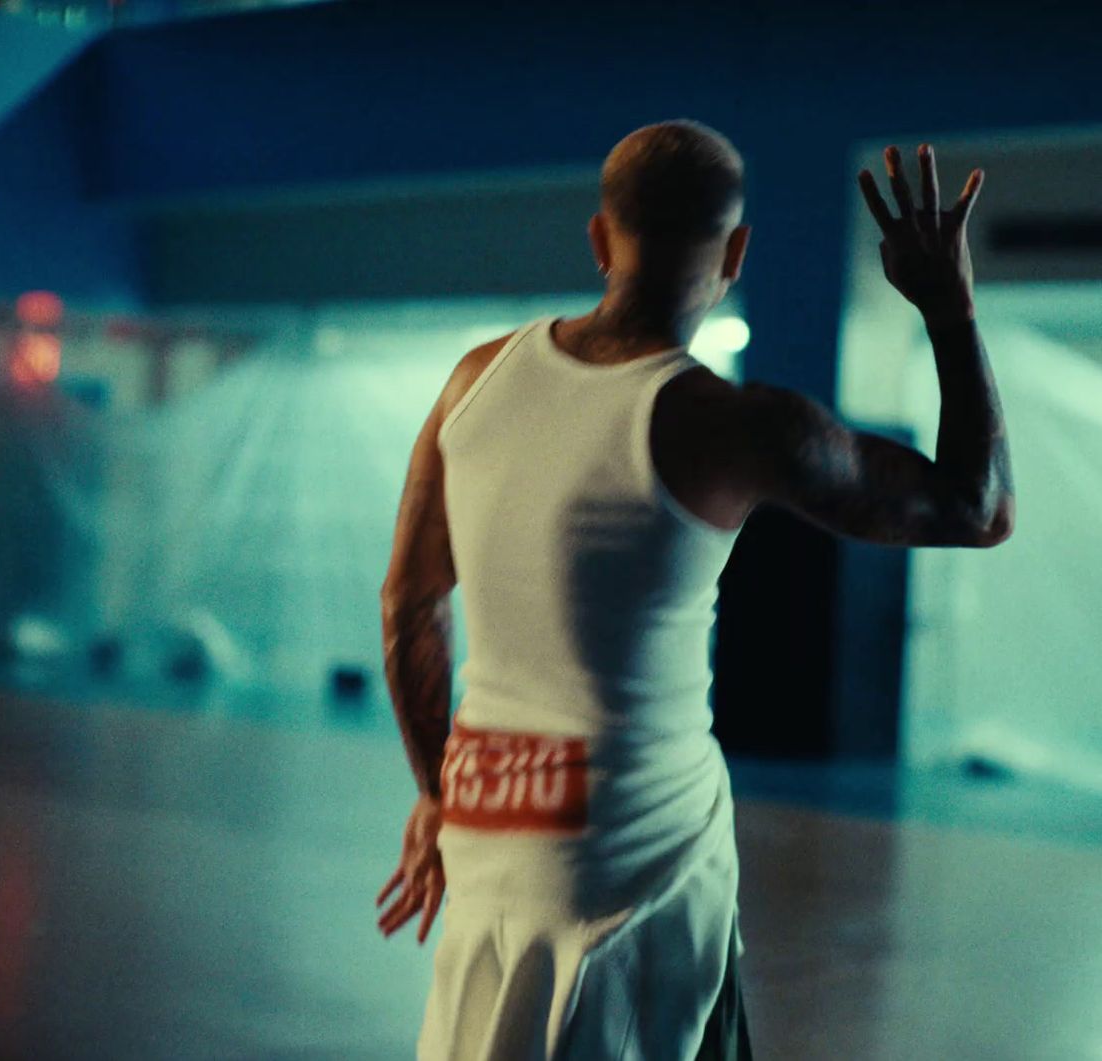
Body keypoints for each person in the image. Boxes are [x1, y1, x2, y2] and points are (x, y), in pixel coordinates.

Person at [375, 119, 1014, 1059]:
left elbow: (408, 607)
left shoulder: (474, 382)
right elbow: (979, 505)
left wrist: (437, 792)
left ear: (600, 238)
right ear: (737, 253)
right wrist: (949, 309)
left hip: (488, 841)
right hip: (636, 890)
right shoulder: (736, 427)